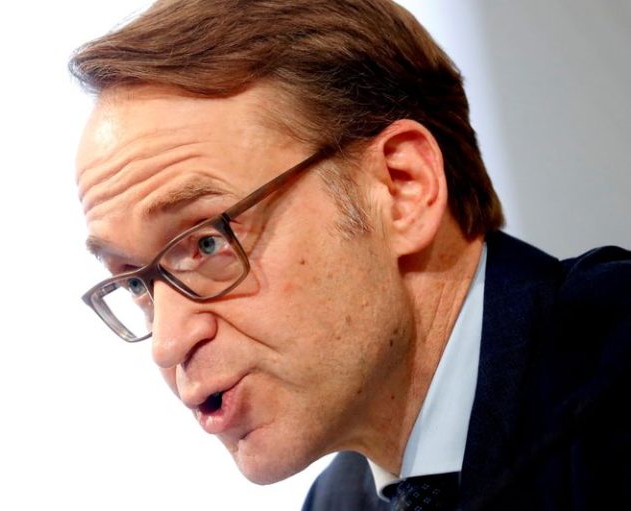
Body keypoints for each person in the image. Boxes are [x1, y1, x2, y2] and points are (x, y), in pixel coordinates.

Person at [69, 1, 631, 509]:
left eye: (207, 242)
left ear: (401, 188)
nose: (168, 344)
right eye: (136, 283)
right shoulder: (337, 502)